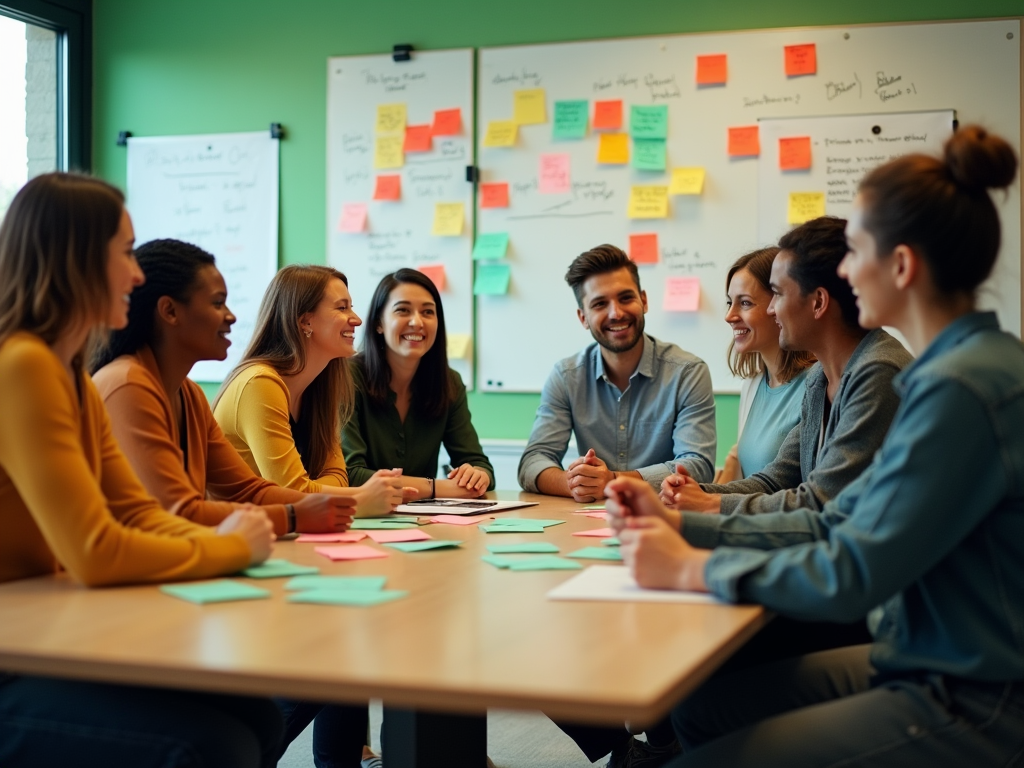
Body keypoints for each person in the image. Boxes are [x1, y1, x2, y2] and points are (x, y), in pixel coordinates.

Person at [608, 125, 1024, 767]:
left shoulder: (955, 388)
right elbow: (837, 518)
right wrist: (683, 523)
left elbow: (853, 568)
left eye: (854, 251)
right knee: (701, 708)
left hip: (973, 694)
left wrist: (690, 566)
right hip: (920, 650)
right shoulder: (955, 368)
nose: (846, 270)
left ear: (903, 266)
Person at [0, 172, 282, 768]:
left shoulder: (70, 376)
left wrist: (248, 542)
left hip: (41, 632)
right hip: (17, 651)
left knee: (257, 709)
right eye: (125, 252)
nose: (135, 272)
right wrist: (229, 549)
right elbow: (96, 551)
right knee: (213, 745)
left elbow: (138, 514)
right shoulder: (22, 365)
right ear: (76, 257)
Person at [91, 239, 360, 537]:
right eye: (218, 303)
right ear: (169, 311)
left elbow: (247, 489)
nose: (231, 316)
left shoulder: (190, 395)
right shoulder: (128, 384)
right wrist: (295, 515)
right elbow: (178, 513)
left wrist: (323, 505)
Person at [661, 217, 912, 516]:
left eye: (777, 294)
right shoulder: (821, 377)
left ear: (818, 302)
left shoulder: (878, 372)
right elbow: (775, 480)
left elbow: (821, 502)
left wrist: (709, 504)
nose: (770, 309)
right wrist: (695, 493)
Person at [518, 244, 717, 503]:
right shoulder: (567, 376)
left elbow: (697, 466)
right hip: (586, 521)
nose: (616, 313)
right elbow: (532, 462)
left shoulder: (688, 373)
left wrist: (611, 481)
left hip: (664, 519)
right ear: (583, 318)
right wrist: (575, 484)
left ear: (643, 300)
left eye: (625, 298)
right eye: (600, 304)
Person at [213, 264, 410, 515]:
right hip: (241, 535)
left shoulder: (320, 385)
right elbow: (291, 493)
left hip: (286, 529)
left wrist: (315, 491)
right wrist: (361, 498)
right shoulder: (259, 383)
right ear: (306, 321)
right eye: (342, 307)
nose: (357, 319)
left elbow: (338, 476)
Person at [343, 268, 494, 498]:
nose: (417, 322)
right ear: (378, 323)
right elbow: (351, 475)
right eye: (402, 310)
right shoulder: (346, 377)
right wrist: (437, 487)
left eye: (428, 312)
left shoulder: (449, 382)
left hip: (426, 521)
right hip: (361, 520)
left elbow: (479, 464)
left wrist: (477, 476)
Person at [714, 246, 815, 483]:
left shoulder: (816, 383)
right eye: (730, 303)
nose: (730, 315)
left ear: (780, 305)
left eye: (745, 303)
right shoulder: (753, 384)